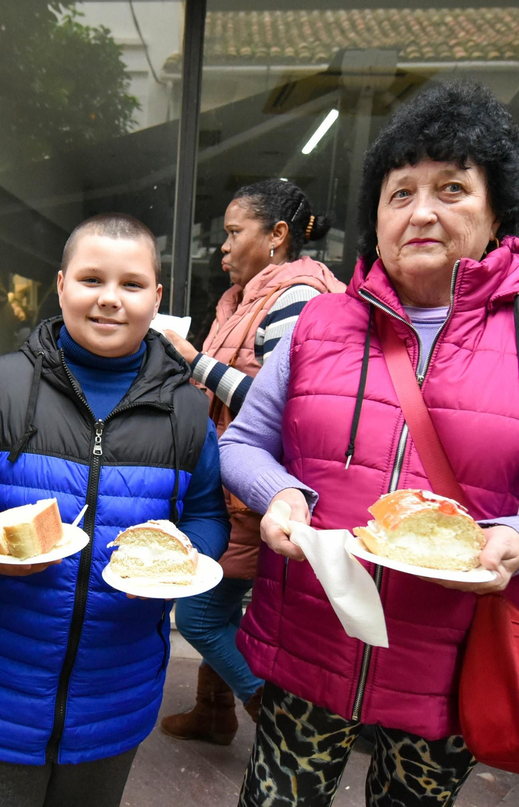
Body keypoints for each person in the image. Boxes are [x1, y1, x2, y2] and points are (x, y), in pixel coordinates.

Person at [219, 81, 519, 807]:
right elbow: (243, 444)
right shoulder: (321, 326)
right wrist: (278, 495)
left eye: (452, 188)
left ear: (495, 212)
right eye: (400, 193)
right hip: (311, 638)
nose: (422, 211)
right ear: (377, 219)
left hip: (454, 659)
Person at [0, 213, 228, 807]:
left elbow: (206, 513)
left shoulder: (186, 414)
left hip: (116, 686)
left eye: (131, 282)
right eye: (91, 279)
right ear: (60, 287)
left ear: (157, 294)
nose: (109, 297)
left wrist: (185, 559)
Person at [157, 179, 342, 743]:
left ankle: (274, 713)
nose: (223, 245)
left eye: (234, 233)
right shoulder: (244, 298)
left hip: (260, 491)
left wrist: (193, 361)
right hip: (229, 487)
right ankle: (213, 714)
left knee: (199, 616)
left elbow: (282, 408)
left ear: (277, 236)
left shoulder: (298, 299)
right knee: (219, 603)